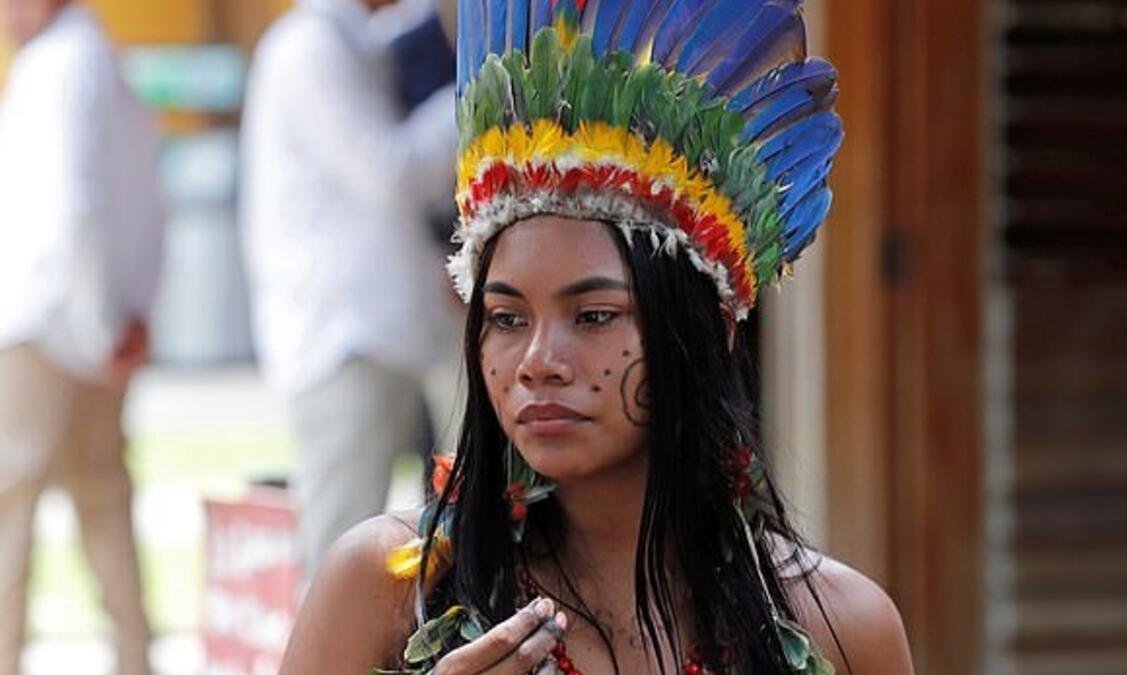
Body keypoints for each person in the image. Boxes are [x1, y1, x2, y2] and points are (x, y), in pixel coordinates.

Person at [280, 0, 915, 673]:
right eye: (506, 318)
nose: (538, 362)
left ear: (706, 330)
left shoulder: (843, 627)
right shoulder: (382, 587)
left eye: (593, 316)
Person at [240, 0, 459, 584]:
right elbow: (388, 171)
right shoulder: (309, 47)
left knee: (429, 542)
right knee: (339, 558)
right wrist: (471, 91)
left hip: (396, 333)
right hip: (343, 340)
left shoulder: (364, 40)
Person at [0, 1, 163, 673]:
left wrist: (105, 324)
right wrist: (122, 318)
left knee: (12, 513)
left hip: (44, 327)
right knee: (104, 506)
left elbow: (77, 208)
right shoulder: (97, 61)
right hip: (91, 328)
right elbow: (145, 199)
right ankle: (134, 660)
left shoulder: (61, 64)